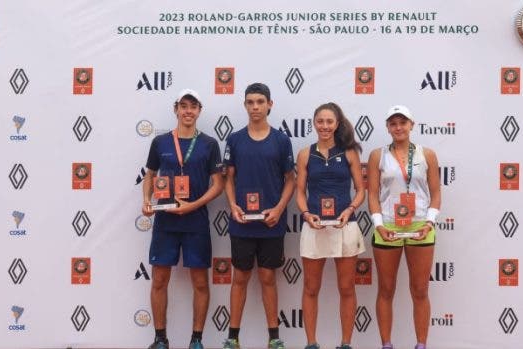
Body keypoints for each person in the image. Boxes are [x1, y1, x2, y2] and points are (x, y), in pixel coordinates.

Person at [141, 89, 225, 349]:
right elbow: (150, 175)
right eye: (184, 106)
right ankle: (160, 339)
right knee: (159, 280)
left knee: (200, 282)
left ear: (200, 111)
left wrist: (193, 206)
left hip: (195, 220)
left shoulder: (210, 144)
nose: (188, 111)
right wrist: (146, 200)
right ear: (176, 109)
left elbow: (218, 184)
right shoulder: (160, 142)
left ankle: (196, 340)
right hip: (166, 221)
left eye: (194, 106)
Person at [222, 83, 295, 349]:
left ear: (269, 105)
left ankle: (274, 337)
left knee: (267, 278)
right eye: (250, 102)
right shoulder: (234, 139)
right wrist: (233, 205)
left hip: (271, 224)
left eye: (260, 102)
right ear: (245, 105)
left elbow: (291, 180)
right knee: (239, 278)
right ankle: (233, 337)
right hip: (241, 223)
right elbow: (228, 178)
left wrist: (278, 209)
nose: (255, 107)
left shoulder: (281, 140)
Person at [367, 105, 441, 349]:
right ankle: (386, 344)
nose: (398, 127)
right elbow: (373, 194)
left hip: (421, 226)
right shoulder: (378, 155)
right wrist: (378, 225)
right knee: (386, 289)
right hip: (387, 228)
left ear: (412, 125)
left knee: (420, 290)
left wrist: (429, 221)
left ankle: (421, 345)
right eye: (393, 123)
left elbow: (436, 192)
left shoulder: (427, 154)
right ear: (388, 127)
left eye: (403, 122)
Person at [295, 102, 366, 349]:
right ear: (314, 123)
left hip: (345, 227)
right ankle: (311, 343)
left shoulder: (349, 153)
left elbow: (360, 190)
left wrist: (349, 210)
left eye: (329, 122)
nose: (324, 126)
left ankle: (346, 344)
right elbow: (300, 192)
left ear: (337, 124)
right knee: (311, 288)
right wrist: (305, 213)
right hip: (314, 227)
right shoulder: (305, 153)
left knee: (346, 288)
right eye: (320, 121)